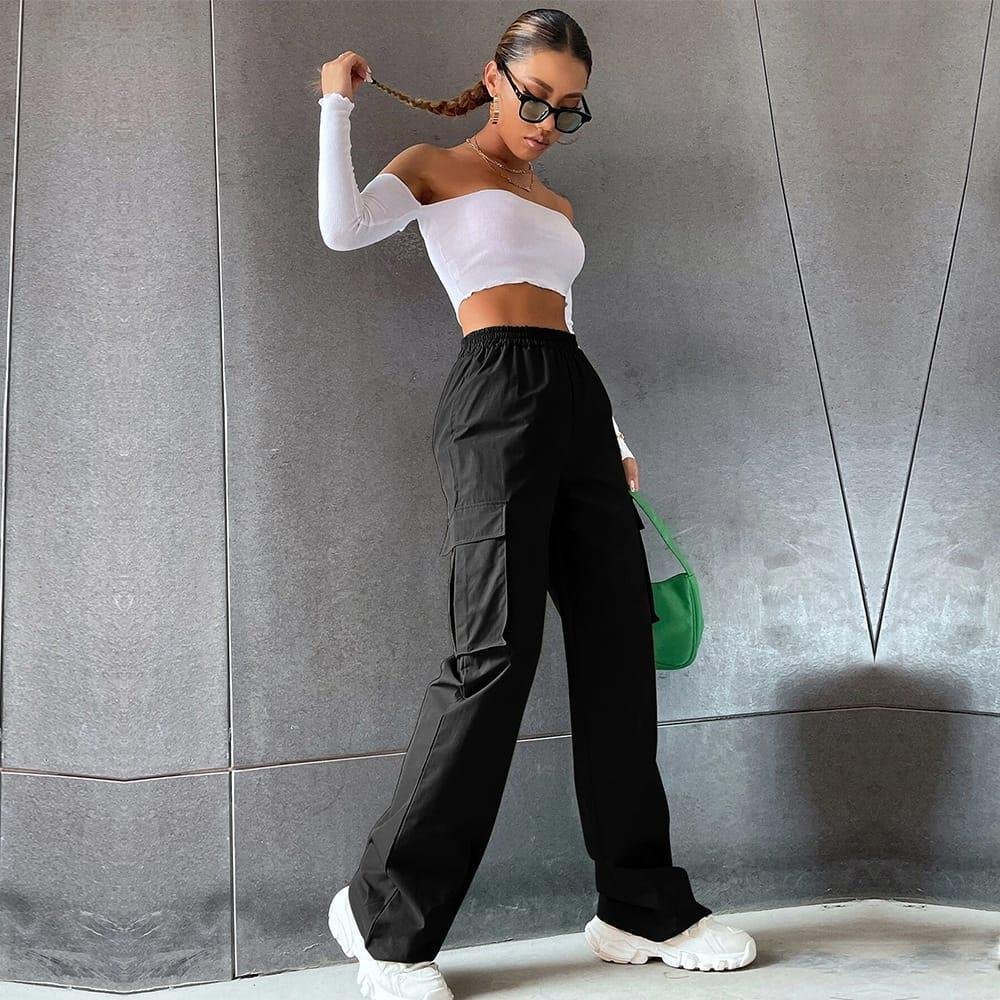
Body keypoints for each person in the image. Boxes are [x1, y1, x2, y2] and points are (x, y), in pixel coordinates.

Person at [314, 10, 757, 1000]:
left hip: (575, 400)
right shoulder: (434, 166)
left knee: (618, 647)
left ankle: (638, 905)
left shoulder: (553, 202)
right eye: (535, 98)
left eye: (570, 108)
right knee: (493, 654)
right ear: (494, 79)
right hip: (492, 399)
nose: (549, 122)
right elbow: (343, 229)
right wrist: (337, 106)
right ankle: (382, 918)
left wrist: (617, 439)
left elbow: (567, 318)